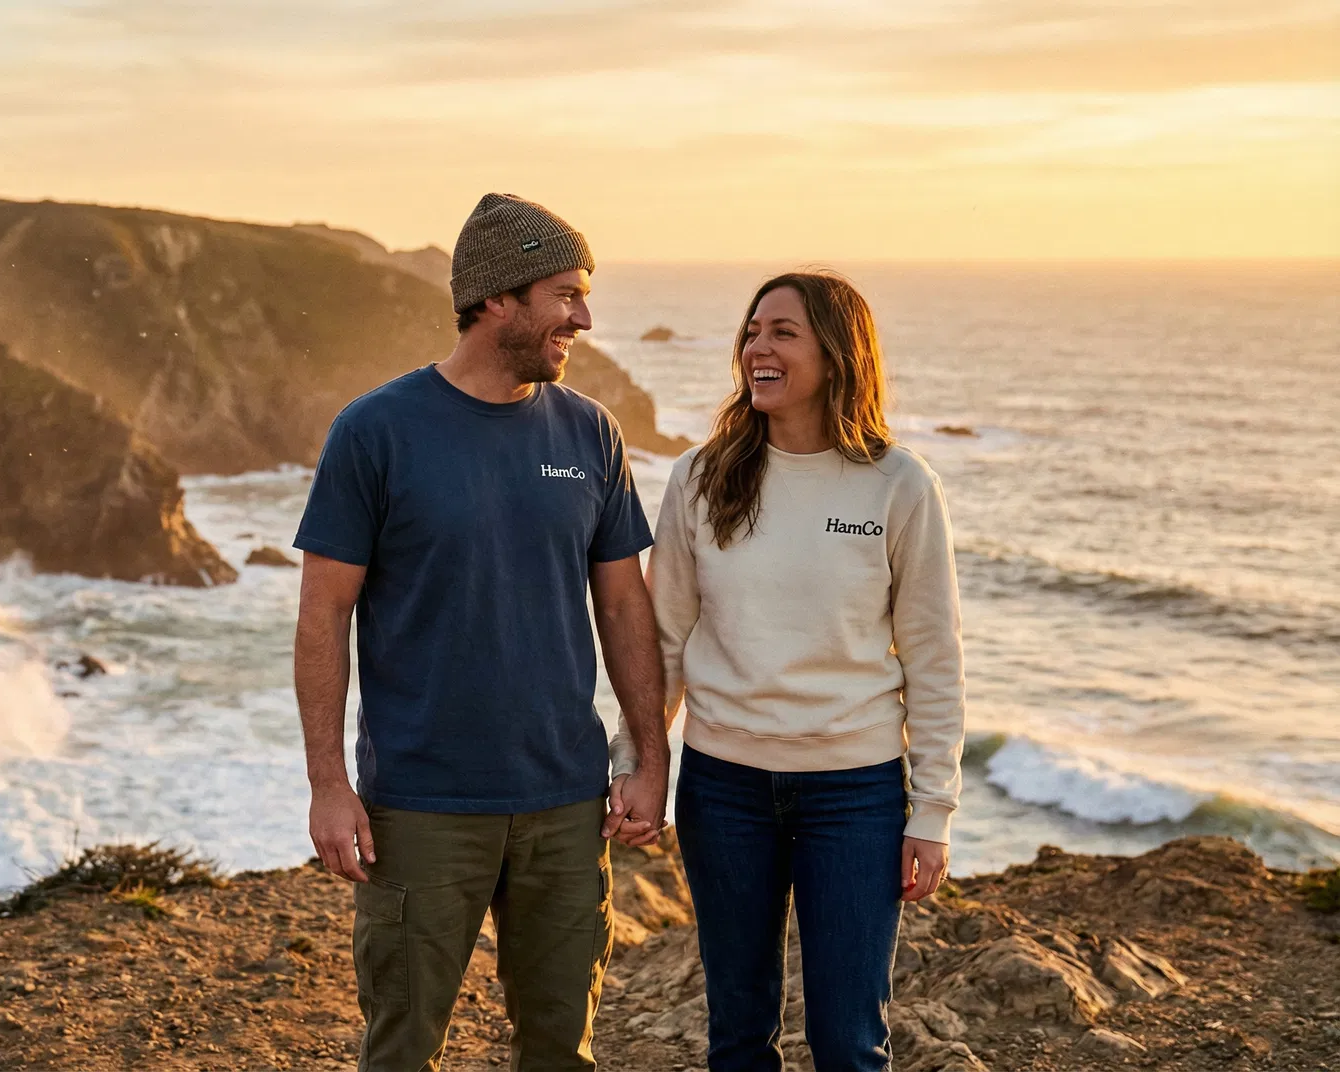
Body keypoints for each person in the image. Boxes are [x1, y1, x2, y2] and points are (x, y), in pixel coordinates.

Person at [292, 193, 671, 1071]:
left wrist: (647, 759)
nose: (583, 316)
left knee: (560, 1050)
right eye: (565, 294)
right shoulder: (376, 431)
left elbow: (623, 608)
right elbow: (323, 617)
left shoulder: (591, 433)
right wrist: (327, 784)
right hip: (421, 808)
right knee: (403, 1050)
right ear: (497, 298)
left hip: (565, 803)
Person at [643, 271, 966, 1072]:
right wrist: (641, 763)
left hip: (854, 793)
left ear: (838, 352)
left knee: (850, 1042)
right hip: (723, 788)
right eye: (753, 331)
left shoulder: (900, 485)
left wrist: (933, 810)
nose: (758, 346)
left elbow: (933, 657)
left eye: (783, 332)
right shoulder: (701, 478)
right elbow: (662, 643)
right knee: (738, 1032)